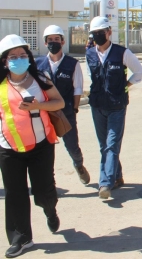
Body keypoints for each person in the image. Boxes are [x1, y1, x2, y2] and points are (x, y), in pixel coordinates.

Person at [0, 35, 65, 258]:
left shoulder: (40, 78)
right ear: (4, 61)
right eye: (12, 56)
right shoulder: (0, 84)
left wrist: (39, 106)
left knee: (43, 190)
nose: (18, 59)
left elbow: (60, 102)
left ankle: (50, 209)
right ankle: (21, 239)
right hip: (9, 148)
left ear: (28, 57)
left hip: (41, 145)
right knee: (15, 194)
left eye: (22, 55)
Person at [86, 16, 142, 199]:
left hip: (117, 105)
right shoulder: (89, 54)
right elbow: (92, 76)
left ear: (109, 32)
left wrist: (126, 85)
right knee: (104, 145)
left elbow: (140, 72)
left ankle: (105, 183)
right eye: (95, 34)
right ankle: (117, 176)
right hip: (97, 106)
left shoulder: (122, 53)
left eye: (101, 33)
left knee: (111, 145)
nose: (98, 36)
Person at [35, 25, 90, 184]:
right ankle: (47, 179)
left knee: (72, 145)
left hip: (65, 112)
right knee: (44, 148)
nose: (54, 42)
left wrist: (74, 108)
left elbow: (77, 87)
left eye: (57, 39)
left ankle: (79, 165)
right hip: (44, 113)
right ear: (45, 43)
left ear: (63, 41)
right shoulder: (38, 64)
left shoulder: (72, 64)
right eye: (50, 40)